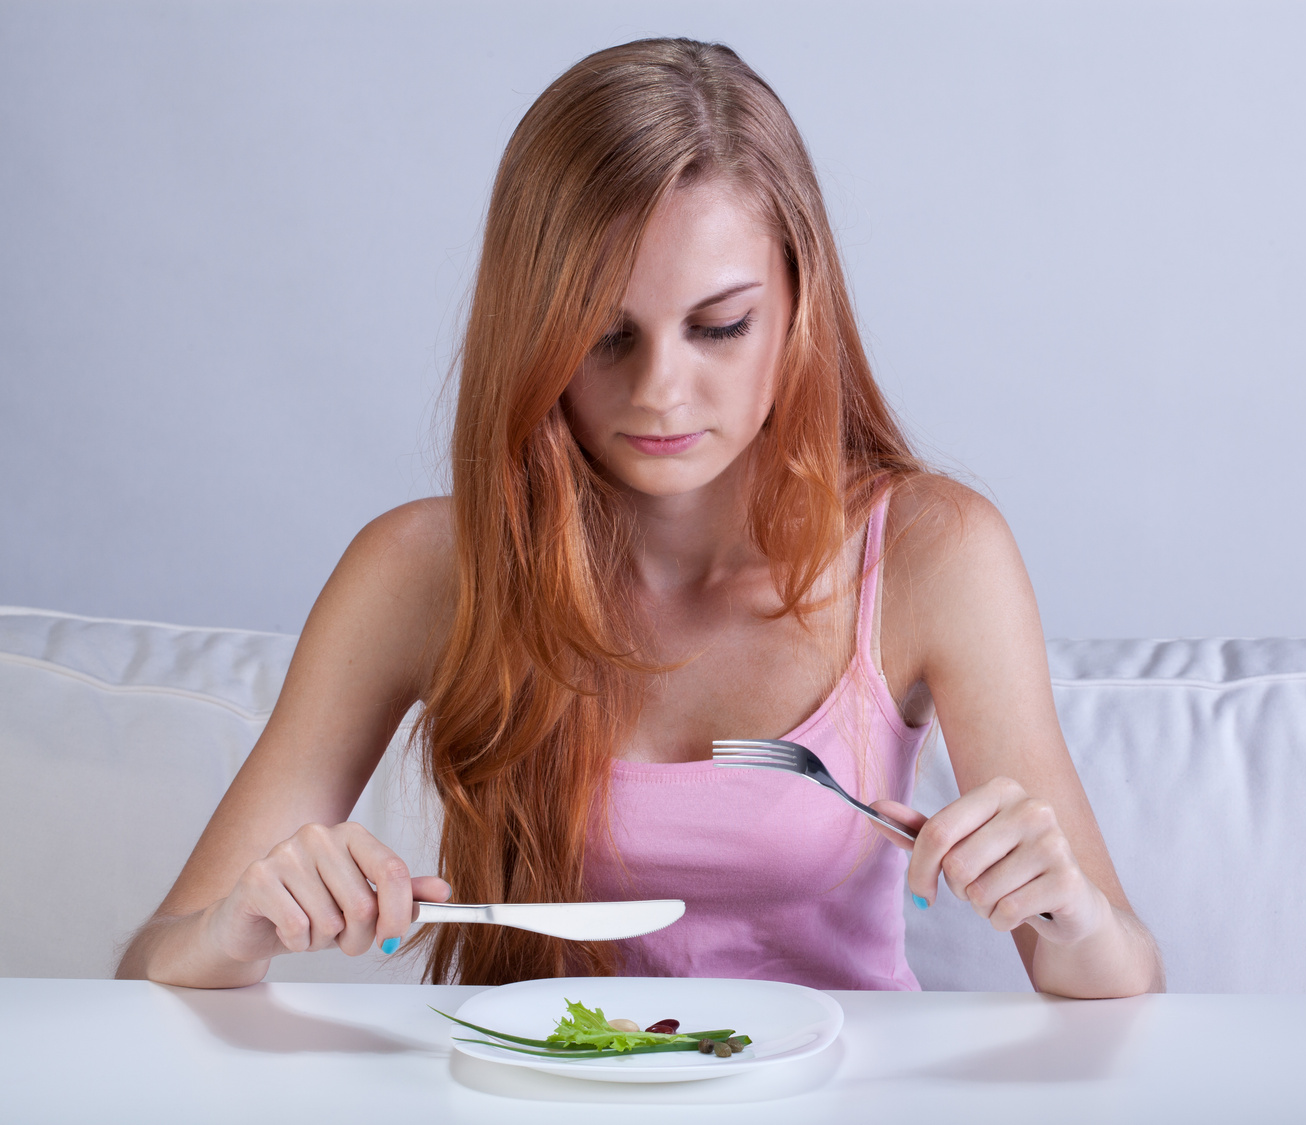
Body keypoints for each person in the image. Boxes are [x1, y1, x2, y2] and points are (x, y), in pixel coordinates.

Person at [117, 38, 1163, 999]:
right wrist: (240, 928)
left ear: (799, 306)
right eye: (602, 336)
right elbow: (153, 964)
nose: (661, 390)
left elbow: (1120, 980)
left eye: (718, 326)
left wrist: (1064, 918)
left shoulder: (935, 555)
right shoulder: (420, 570)